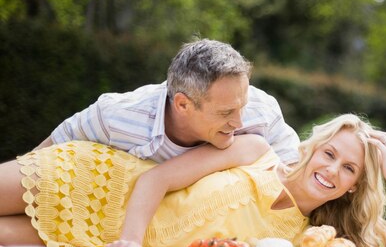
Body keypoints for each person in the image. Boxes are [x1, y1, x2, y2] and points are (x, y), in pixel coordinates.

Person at [0, 114, 386, 247]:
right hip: (97, 179)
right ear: (314, 148)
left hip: (99, 237)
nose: (331, 170)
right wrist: (129, 245)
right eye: (329, 154)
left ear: (352, 187)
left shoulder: (302, 242)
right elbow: (155, 178)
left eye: (347, 169)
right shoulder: (257, 151)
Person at [35, 38, 300, 165]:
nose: (239, 121)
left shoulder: (262, 112)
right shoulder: (117, 117)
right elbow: (39, 160)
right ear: (183, 104)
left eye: (242, 105)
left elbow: (296, 179)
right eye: (226, 112)